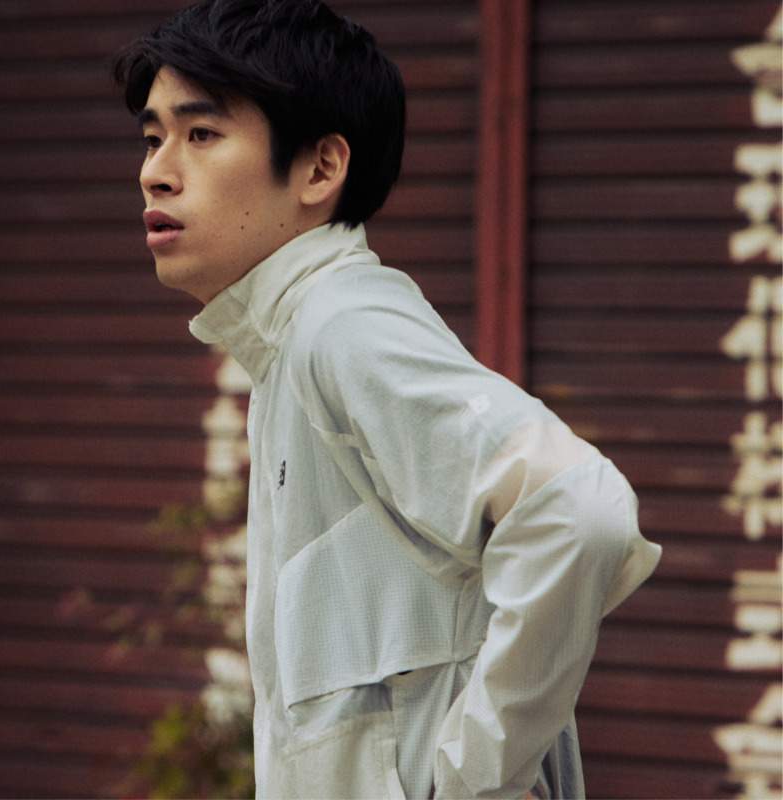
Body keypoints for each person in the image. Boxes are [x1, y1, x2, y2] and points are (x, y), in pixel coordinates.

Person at [113, 2, 662, 797]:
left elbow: (579, 512)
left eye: (200, 134)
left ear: (320, 169)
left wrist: (470, 782)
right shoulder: (290, 347)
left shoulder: (342, 325)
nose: (155, 171)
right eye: (152, 137)